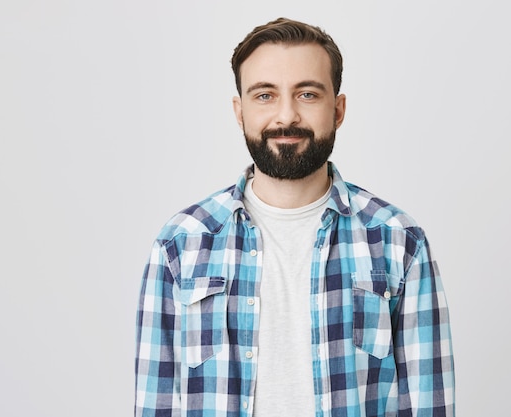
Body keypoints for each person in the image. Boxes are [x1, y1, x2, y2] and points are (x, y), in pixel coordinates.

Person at [134, 17, 454, 417]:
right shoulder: (179, 245)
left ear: (338, 110)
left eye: (307, 94)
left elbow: (429, 405)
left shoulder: (399, 241)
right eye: (265, 95)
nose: (286, 117)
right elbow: (155, 404)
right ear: (240, 111)